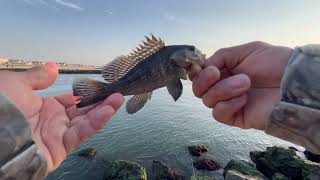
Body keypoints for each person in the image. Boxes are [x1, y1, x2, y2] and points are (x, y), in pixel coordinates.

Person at [0, 41, 319, 179]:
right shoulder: (171, 62)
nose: (198, 55)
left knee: (114, 97)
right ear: (179, 56)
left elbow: (176, 87)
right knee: (112, 95)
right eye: (193, 51)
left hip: (131, 87)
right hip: (127, 84)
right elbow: (174, 86)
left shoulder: (176, 68)